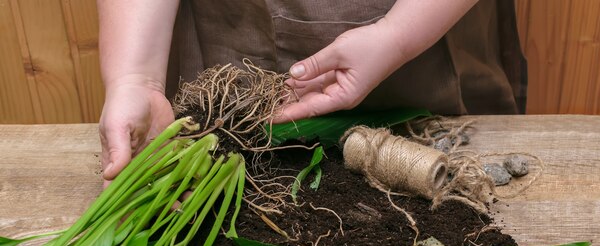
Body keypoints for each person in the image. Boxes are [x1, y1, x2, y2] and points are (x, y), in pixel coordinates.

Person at [97, 0, 526, 183]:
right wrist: (135, 77)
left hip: (428, 29)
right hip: (228, 31)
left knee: (452, 170)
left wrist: (397, 36)